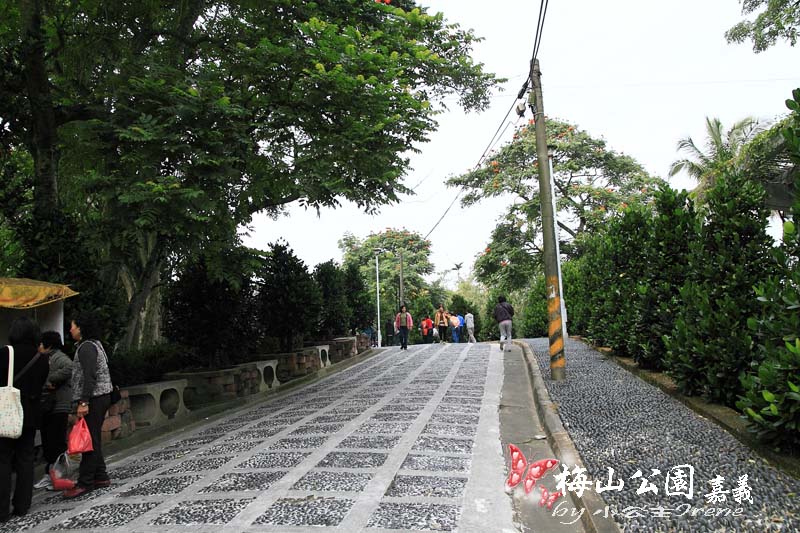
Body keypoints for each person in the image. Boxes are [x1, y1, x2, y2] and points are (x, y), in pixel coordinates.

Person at [0, 317, 49, 522]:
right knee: (25, 459)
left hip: (6, 413)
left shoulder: (5, 354)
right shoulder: (41, 359)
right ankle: (22, 505)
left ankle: (2, 510)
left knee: (2, 460)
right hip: (29, 415)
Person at [63, 314, 113, 498]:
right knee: (93, 438)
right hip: (100, 396)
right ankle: (101, 476)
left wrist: (84, 402)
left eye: (73, 326)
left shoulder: (86, 348)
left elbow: (89, 376)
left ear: (81, 328)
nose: (70, 330)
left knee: (89, 441)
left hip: (94, 397)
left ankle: (85, 483)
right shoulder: (94, 345)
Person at [34, 331, 73, 491]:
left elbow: (70, 367)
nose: (39, 347)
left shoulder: (58, 357)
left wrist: (51, 379)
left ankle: (58, 476)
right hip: (50, 407)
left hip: (58, 406)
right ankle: (51, 475)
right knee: (49, 444)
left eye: (41, 344)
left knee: (56, 444)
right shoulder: (47, 358)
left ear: (48, 345)